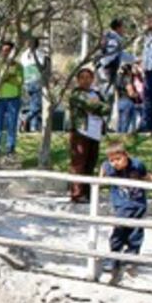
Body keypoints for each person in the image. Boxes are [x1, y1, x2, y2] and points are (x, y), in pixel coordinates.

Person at [100, 142, 152, 281]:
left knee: (136, 233)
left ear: (126, 156)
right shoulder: (109, 168)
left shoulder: (137, 165)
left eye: (118, 159)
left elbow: (146, 176)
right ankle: (114, 258)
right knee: (118, 232)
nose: (115, 163)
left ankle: (131, 259)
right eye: (112, 160)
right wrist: (100, 179)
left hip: (138, 204)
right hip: (122, 205)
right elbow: (103, 169)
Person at [68, 67, 111, 203]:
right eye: (83, 78)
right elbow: (93, 107)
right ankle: (77, 193)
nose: (86, 80)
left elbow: (107, 107)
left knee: (90, 163)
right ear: (78, 80)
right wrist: (99, 106)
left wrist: (99, 105)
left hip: (95, 132)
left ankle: (87, 193)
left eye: (89, 77)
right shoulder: (76, 94)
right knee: (79, 163)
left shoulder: (96, 93)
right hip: (81, 132)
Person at [0, 40, 24, 161]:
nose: (6, 53)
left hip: (13, 98)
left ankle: (10, 148)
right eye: (4, 51)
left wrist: (5, 78)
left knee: (12, 124)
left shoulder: (18, 66)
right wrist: (9, 76)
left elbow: (19, 82)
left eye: (8, 51)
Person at [20, 37, 46, 132]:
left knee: (33, 104)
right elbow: (42, 66)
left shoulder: (23, 55)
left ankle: (33, 127)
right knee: (37, 106)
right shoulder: (39, 54)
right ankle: (26, 118)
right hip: (36, 81)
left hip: (26, 81)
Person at [97, 18, 126, 100]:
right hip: (107, 71)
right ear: (118, 28)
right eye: (123, 27)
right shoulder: (114, 39)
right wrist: (103, 64)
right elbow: (111, 54)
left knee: (105, 95)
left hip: (105, 70)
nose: (124, 30)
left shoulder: (110, 36)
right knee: (107, 97)